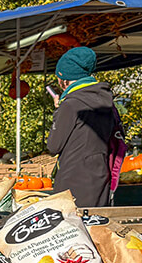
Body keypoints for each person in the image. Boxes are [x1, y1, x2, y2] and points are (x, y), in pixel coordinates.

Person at [46, 46, 123, 207]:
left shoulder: (70, 105)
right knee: (95, 222)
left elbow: (53, 146)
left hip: (71, 181)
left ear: (64, 80)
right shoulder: (107, 102)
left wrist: (58, 111)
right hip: (100, 178)